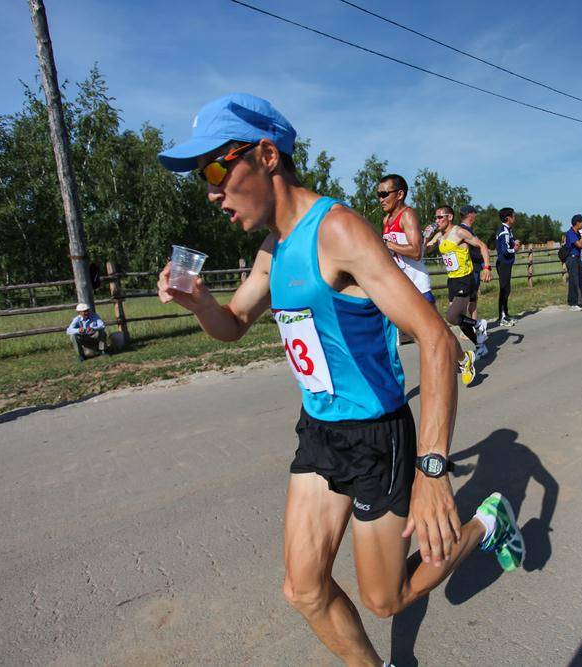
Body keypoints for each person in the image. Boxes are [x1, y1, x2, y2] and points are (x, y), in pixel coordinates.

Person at [155, 93, 524, 666]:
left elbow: (436, 340)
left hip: (377, 436)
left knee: (385, 599)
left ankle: (485, 523)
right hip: (320, 431)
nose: (211, 191)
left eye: (215, 170)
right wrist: (200, 302)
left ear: (267, 156)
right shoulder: (273, 248)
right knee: (303, 589)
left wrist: (432, 470)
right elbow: (231, 325)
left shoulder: (339, 231)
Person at [425, 205, 491, 377]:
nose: (437, 220)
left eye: (440, 217)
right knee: (460, 320)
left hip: (465, 278)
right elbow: (424, 251)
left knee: (451, 316)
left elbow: (482, 245)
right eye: (436, 217)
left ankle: (479, 324)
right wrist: (425, 236)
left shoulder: (459, 232)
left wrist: (487, 267)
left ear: (450, 217)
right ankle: (480, 345)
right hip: (452, 280)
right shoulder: (439, 235)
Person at [380, 174, 433, 303]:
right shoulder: (386, 220)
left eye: (384, 194)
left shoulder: (407, 215)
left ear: (400, 194)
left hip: (417, 286)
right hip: (400, 286)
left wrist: (386, 244)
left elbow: (416, 252)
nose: (381, 199)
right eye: (378, 195)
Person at [456, 204, 485, 319]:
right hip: (470, 268)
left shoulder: (466, 230)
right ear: (469, 215)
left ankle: (473, 322)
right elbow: (469, 251)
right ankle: (470, 324)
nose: (476, 215)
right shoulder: (463, 231)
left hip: (473, 267)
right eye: (474, 213)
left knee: (472, 297)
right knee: (469, 298)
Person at [495, 207, 520, 326]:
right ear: (508, 218)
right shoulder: (504, 231)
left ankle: (506, 314)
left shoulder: (508, 230)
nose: (514, 218)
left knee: (506, 289)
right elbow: (505, 250)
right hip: (503, 263)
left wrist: (515, 242)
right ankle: (502, 317)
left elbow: (509, 243)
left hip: (506, 263)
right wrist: (514, 249)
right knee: (504, 289)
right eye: (513, 216)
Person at [564, 214, 582, 311]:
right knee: (573, 281)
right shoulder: (570, 233)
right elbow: (579, 245)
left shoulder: (577, 233)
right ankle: (572, 304)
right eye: (581, 222)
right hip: (572, 258)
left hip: (577, 258)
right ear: (577, 223)